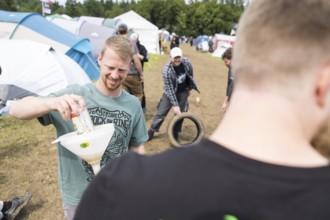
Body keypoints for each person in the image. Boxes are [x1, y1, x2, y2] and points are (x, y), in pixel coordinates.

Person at [75, 0, 330, 219]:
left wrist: (189, 96)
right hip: (170, 96)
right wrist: (175, 105)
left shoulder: (116, 190)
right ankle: (153, 130)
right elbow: (171, 90)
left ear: (238, 62)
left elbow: (188, 80)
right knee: (163, 114)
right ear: (324, 80)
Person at [9, 35, 148, 220]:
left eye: (122, 69)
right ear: (99, 59)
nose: (115, 75)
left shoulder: (132, 105)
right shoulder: (73, 95)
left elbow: (137, 146)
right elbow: (16, 110)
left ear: (130, 65)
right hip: (79, 199)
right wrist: (52, 102)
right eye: (110, 67)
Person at [147, 47, 199, 141]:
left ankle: (175, 134)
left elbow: (190, 76)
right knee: (161, 113)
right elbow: (170, 89)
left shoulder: (187, 63)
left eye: (179, 57)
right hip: (169, 93)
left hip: (183, 92)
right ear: (170, 58)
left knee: (180, 114)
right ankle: (151, 131)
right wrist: (175, 105)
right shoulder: (166, 70)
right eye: (175, 57)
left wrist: (189, 88)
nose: (177, 59)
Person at [116, 24, 144, 103]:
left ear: (118, 32)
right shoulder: (131, 43)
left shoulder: (116, 44)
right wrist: (141, 74)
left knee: (124, 97)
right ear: (127, 32)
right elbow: (137, 61)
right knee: (138, 95)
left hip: (121, 75)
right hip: (133, 75)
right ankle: (136, 113)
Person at [130, 33, 149, 113]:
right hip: (129, 73)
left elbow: (146, 58)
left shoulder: (142, 47)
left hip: (138, 73)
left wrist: (141, 57)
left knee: (141, 91)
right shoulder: (128, 47)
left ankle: (143, 107)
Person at [221, 47, 234, 112]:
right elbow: (229, 87)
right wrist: (225, 102)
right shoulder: (230, 70)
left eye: (226, 61)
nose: (225, 64)